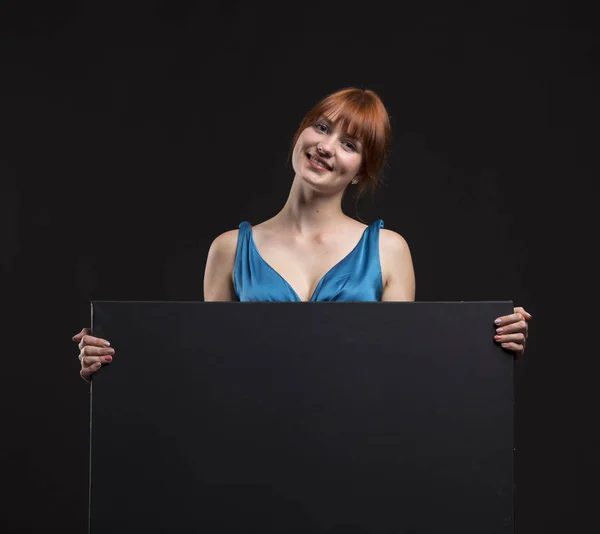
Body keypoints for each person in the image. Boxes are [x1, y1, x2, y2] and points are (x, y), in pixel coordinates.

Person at [74, 87, 531, 382]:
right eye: (323, 127)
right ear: (301, 133)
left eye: (350, 145)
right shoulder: (229, 249)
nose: (326, 147)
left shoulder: (389, 251)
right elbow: (208, 370)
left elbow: (403, 371)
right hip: (254, 447)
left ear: (360, 173)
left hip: (356, 450)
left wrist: (488, 343)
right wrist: (114, 358)